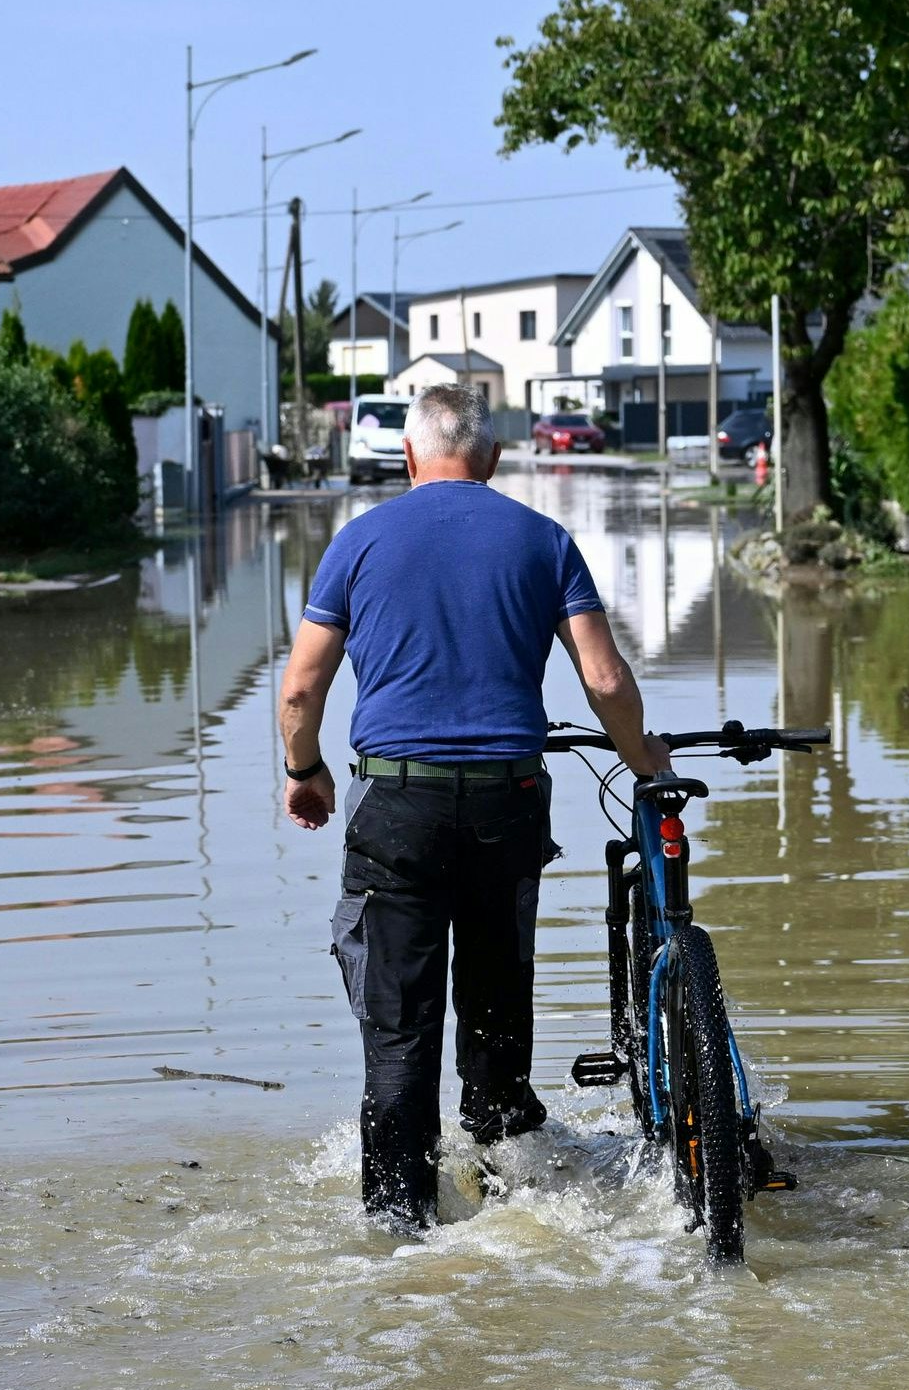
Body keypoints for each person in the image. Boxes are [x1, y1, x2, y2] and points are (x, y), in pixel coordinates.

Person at [276, 386, 666, 1235]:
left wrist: (303, 770)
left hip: (397, 807)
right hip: (507, 803)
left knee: (400, 1032)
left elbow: (303, 684)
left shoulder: (358, 542)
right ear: (491, 461)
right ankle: (515, 1194)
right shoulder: (544, 540)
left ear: (409, 459)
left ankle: (396, 1226)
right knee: (495, 1002)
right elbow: (603, 679)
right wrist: (646, 762)